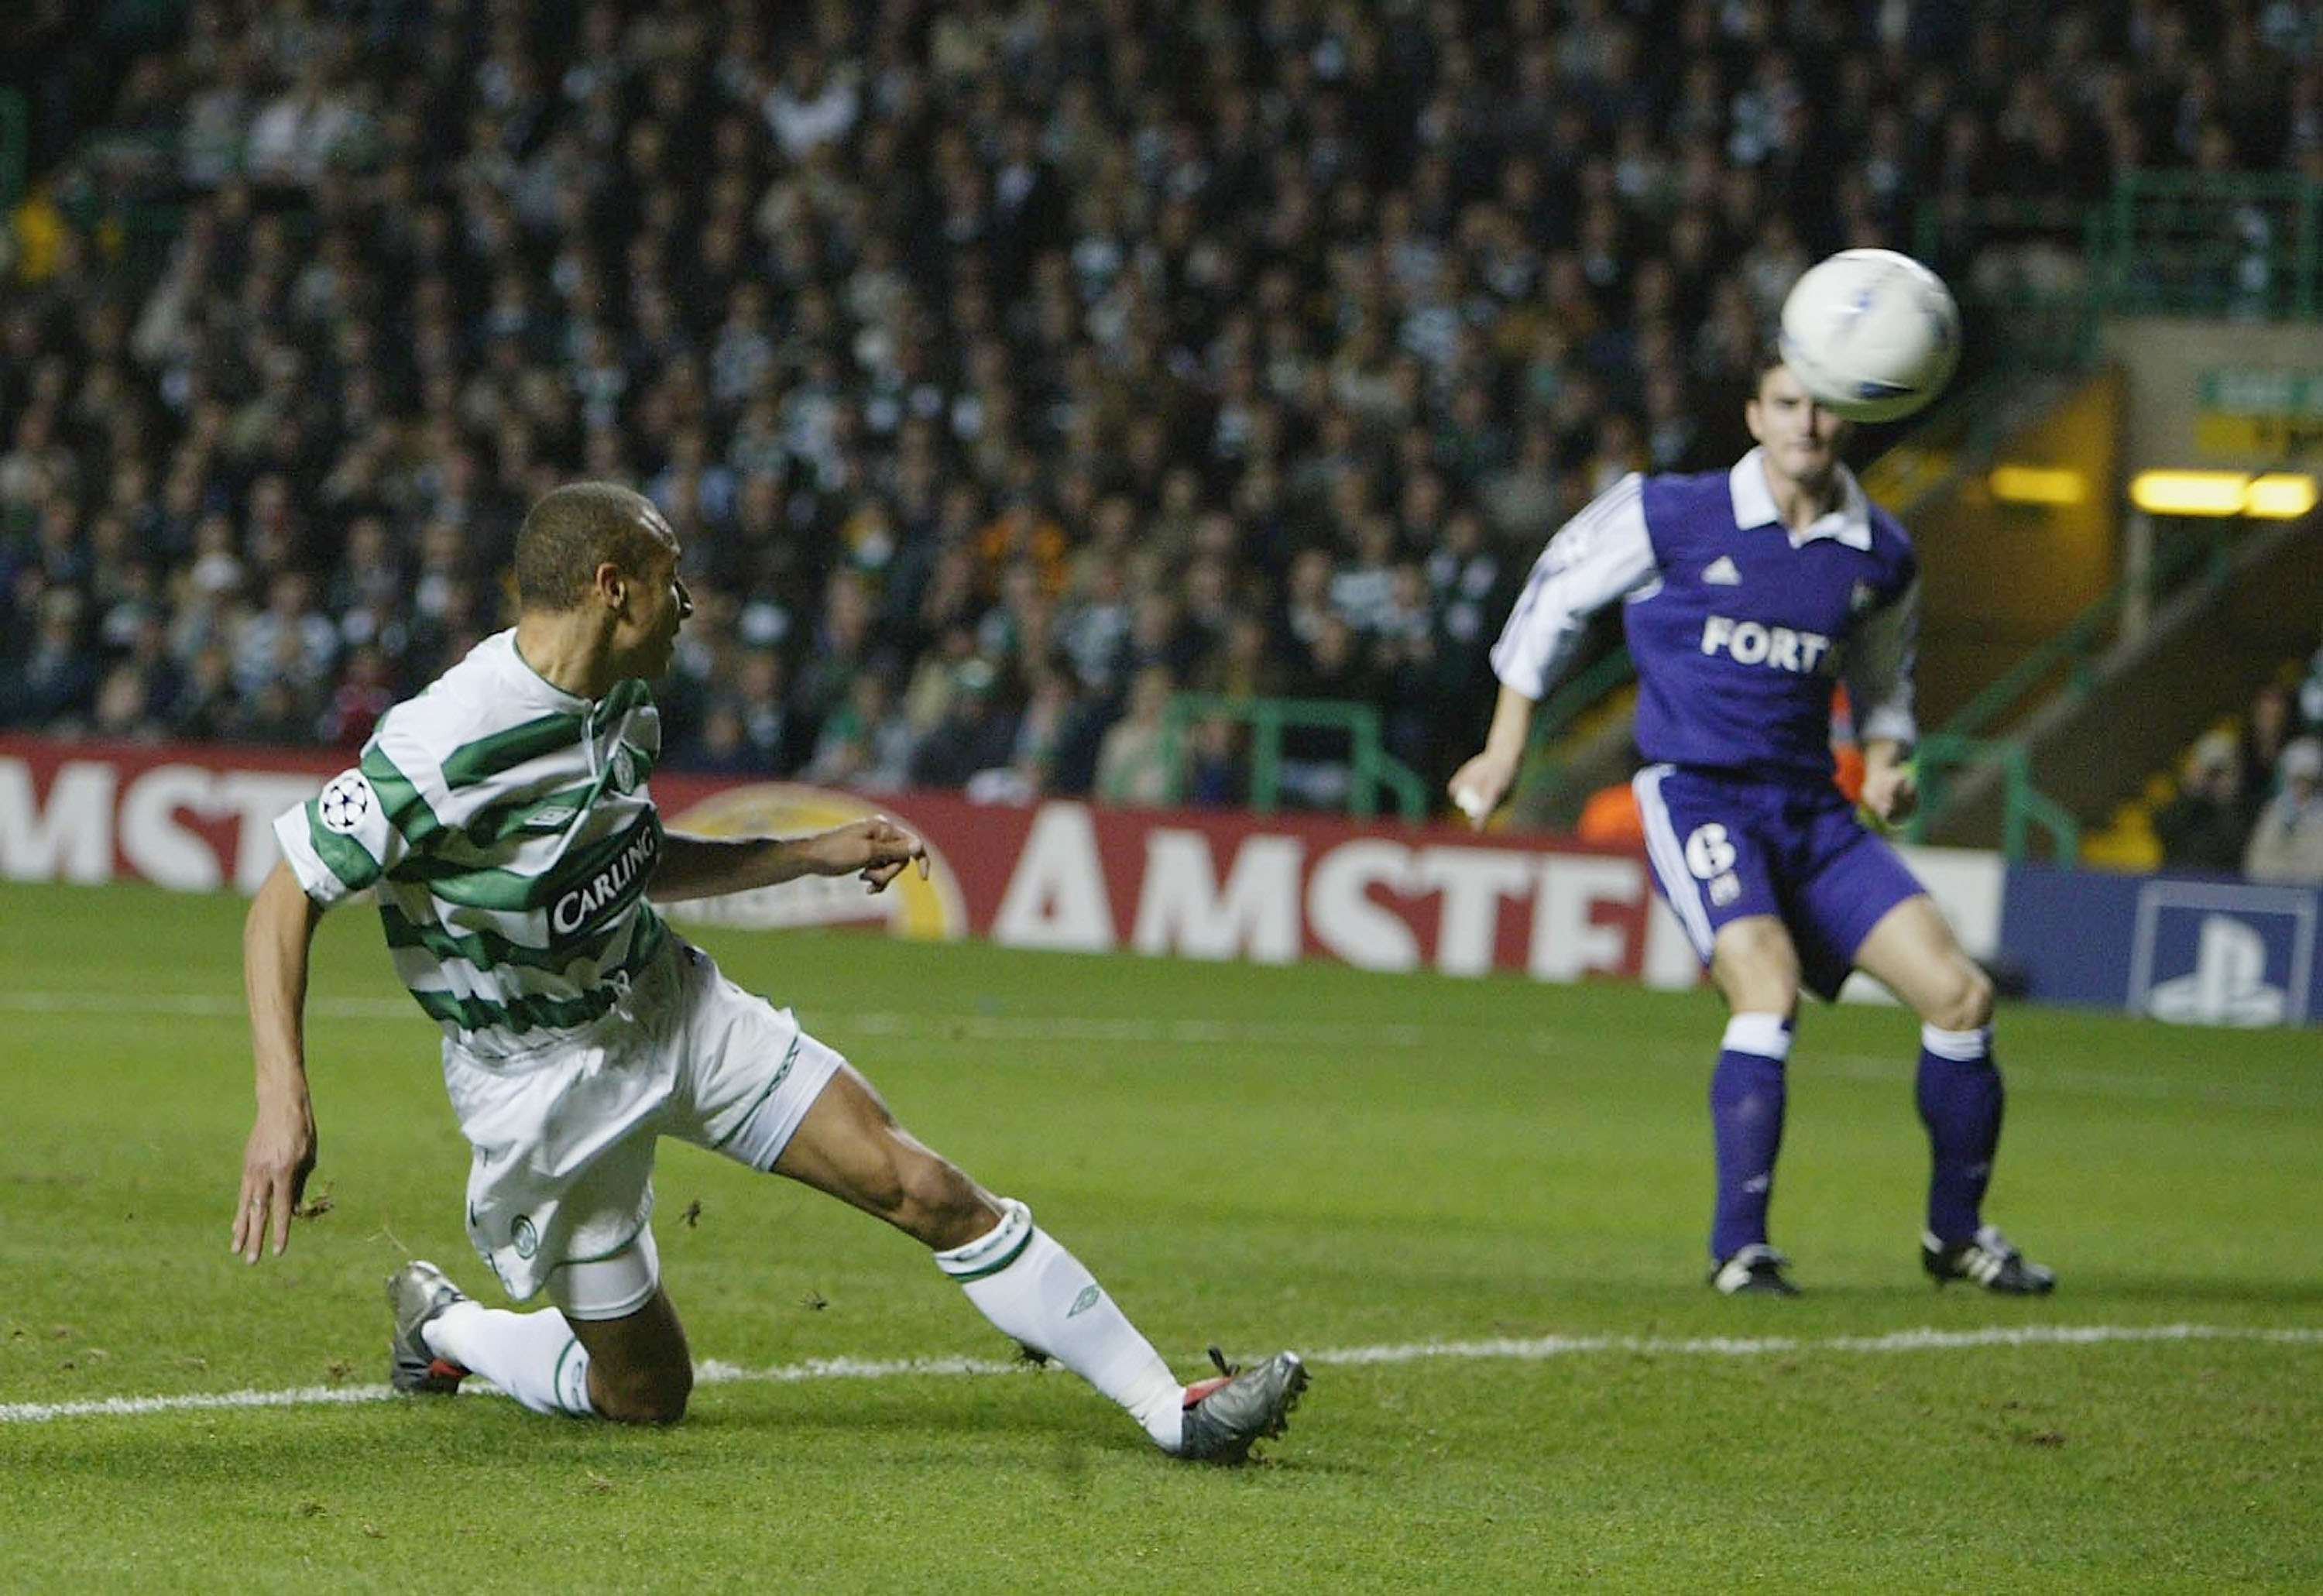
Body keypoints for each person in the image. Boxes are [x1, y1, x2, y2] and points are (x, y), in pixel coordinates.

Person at [233, 482, 1306, 1460]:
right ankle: (448, 1327)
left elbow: (630, 862)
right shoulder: (451, 739)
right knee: (644, 1395)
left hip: (668, 1007)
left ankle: (1171, 1409)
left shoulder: (623, 698)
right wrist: (284, 1100)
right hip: (541, 1088)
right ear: (612, 586)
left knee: (922, 1185)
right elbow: (285, 894)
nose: (688, 603)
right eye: (670, 579)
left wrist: (806, 854)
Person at [1447, 350, 2054, 1298]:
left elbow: (1885, 687)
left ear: (1849, 418)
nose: (1805, 423)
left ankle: (1957, 1236)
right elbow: (1553, 596)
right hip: (1698, 795)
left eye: (1823, 406)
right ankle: (1741, 1251)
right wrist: (1503, 750)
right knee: (1766, 990)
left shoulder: (1880, 551)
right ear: (1755, 415)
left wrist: (1887, 767)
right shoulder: (1670, 511)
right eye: (1786, 403)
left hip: (1813, 810)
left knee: (1961, 997)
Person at [2241, 735, 2323, 885]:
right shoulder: (2273, 811)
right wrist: (2282, 875)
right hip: (2270, 891)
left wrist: (2290, 874)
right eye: (2296, 779)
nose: (2301, 786)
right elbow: (2255, 863)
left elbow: (2318, 871)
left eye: (2307, 779)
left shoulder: (2320, 816)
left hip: (2310, 894)